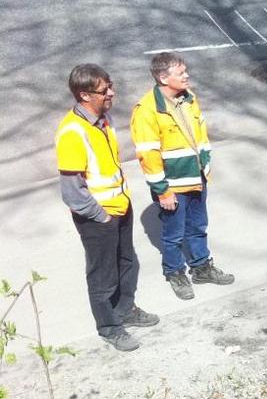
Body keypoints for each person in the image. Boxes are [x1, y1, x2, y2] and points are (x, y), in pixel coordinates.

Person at [56, 64, 159, 352]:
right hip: (97, 217)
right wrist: (100, 216)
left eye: (110, 85)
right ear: (84, 95)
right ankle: (109, 327)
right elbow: (72, 192)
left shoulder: (103, 119)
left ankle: (125, 309)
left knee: (126, 262)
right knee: (102, 275)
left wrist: (121, 204)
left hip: (119, 207)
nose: (111, 92)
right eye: (104, 90)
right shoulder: (72, 132)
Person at [130, 52, 234, 300]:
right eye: (181, 73)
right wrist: (162, 191)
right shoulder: (146, 111)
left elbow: (200, 133)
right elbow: (148, 155)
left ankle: (201, 267)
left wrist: (205, 164)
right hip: (173, 185)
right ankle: (175, 272)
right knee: (173, 234)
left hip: (196, 178)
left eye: (185, 71)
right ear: (163, 78)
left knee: (198, 226)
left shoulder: (189, 98)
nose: (187, 76)